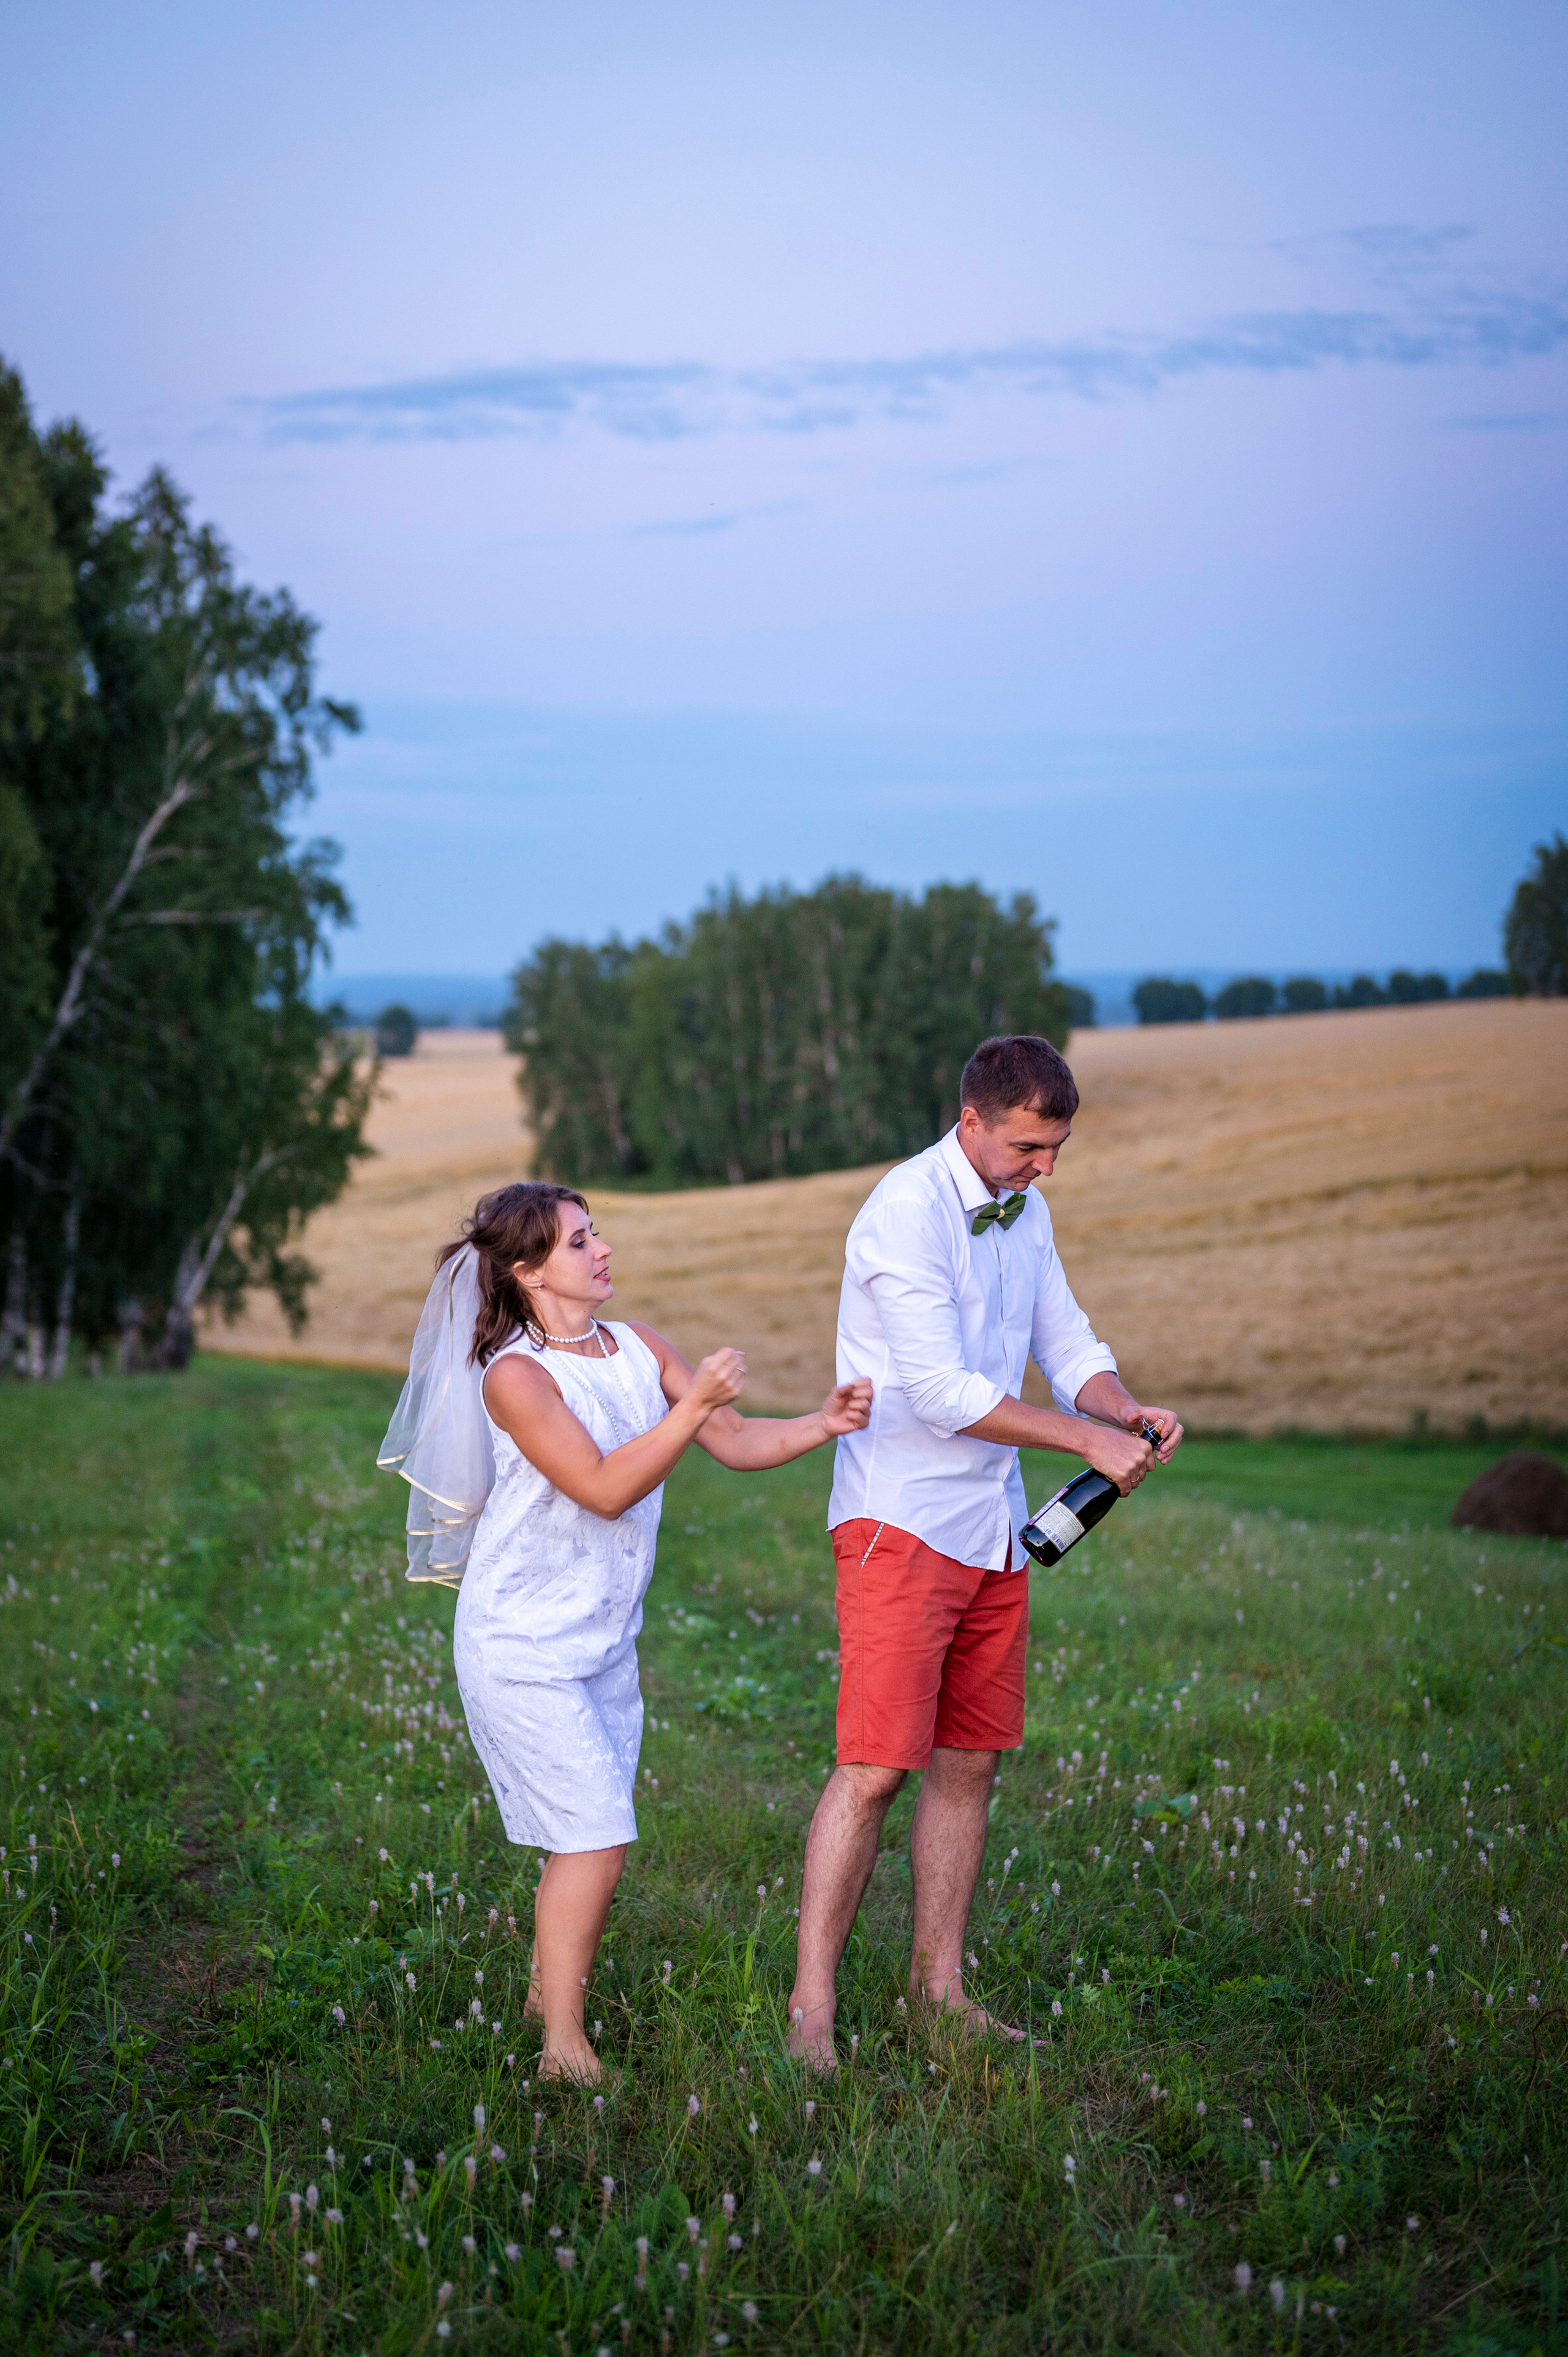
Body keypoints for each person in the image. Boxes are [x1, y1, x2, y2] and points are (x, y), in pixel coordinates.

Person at [379, 1181, 870, 2084]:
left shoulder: (642, 1348)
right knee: (596, 1835)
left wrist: (823, 1424)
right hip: (520, 1642)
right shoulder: (515, 1378)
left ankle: (542, 1991)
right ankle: (563, 2050)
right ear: (527, 1271)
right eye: (577, 1242)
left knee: (588, 1830)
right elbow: (604, 1487)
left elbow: (734, 1442)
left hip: (603, 1642)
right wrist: (686, 1413)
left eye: (596, 1233)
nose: (601, 1250)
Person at [786, 1032, 1183, 2069]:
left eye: (1057, 1148)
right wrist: (1085, 1442)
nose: (1046, 1167)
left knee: (968, 1767)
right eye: (1028, 1147)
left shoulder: (1029, 1209)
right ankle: (811, 2012)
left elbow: (1069, 1345)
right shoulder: (903, 1214)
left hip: (993, 1532)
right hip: (897, 1521)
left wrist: (1120, 1406)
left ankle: (938, 1992)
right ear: (971, 1122)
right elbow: (940, 1393)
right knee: (874, 1771)